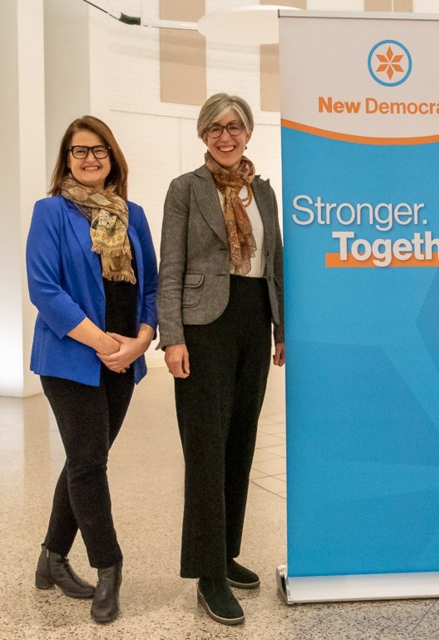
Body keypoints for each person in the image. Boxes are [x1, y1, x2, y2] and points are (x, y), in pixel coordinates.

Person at [158, 93, 285, 626]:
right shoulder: (186, 189)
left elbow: (275, 263)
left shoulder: (264, 192)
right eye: (215, 127)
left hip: (254, 319)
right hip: (203, 325)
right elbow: (171, 266)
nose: (225, 136)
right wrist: (173, 338)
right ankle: (207, 576)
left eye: (234, 126)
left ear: (249, 133)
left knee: (240, 441)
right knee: (205, 449)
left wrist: (282, 328)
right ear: (203, 134)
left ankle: (226, 553)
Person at [26, 116, 158, 624]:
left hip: (125, 360)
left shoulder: (135, 215)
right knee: (89, 464)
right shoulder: (51, 212)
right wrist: (104, 342)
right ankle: (109, 567)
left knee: (86, 459)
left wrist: (141, 340)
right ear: (66, 158)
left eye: (99, 150)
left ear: (113, 158)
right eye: (80, 151)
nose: (90, 159)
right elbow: (45, 289)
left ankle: (51, 558)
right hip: (70, 359)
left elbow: (149, 287)